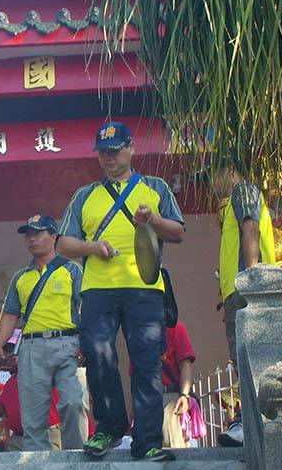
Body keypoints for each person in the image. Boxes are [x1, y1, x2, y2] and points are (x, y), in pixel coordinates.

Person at [57, 121, 185, 462]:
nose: (109, 158)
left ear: (131, 149)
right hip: (98, 289)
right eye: (103, 152)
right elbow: (63, 244)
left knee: (146, 362)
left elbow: (177, 232)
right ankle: (109, 428)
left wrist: (152, 220)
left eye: (115, 151)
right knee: (98, 354)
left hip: (145, 288)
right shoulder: (85, 195)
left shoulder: (155, 187)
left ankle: (147, 441)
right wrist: (92, 247)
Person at [0, 215, 88, 452]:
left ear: (54, 237)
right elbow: (10, 314)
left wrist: (86, 341)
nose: (32, 239)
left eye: (38, 233)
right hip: (31, 347)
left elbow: (86, 308)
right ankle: (37, 461)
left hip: (67, 343)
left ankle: (76, 458)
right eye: (28, 235)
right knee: (33, 417)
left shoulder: (72, 270)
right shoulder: (20, 277)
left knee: (73, 402)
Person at [211, 166, 275, 447]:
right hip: (235, 294)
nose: (213, 182)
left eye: (216, 173)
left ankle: (252, 420)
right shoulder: (230, 205)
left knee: (249, 359)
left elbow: (250, 228)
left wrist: (252, 278)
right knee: (241, 360)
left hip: (245, 292)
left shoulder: (244, 191)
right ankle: (248, 417)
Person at [160, 322, 196, 448]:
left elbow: (185, 364)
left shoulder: (174, 328)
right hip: (145, 400)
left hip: (169, 399)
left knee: (173, 448)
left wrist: (184, 395)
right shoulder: (139, 332)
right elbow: (135, 375)